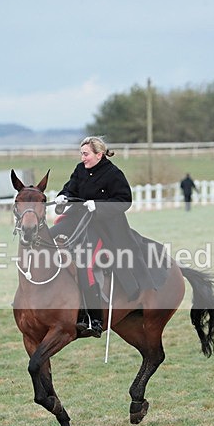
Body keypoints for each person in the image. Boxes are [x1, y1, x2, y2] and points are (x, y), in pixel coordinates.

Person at [50, 136, 160, 338]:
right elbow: (70, 188)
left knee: (85, 262)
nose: (83, 158)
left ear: (99, 155)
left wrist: (98, 206)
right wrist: (62, 196)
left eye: (86, 154)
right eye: (81, 154)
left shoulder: (113, 174)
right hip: (77, 219)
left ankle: (94, 318)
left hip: (104, 227)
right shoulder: (80, 169)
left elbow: (124, 201)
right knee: (48, 238)